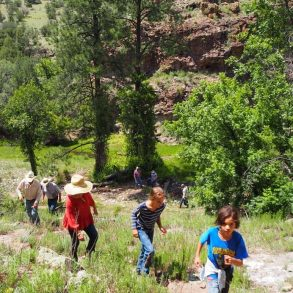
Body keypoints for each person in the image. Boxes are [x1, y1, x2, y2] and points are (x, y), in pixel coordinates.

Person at [193, 205, 248, 293]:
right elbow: (201, 240)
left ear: (236, 224)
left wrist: (232, 260)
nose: (227, 227)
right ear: (219, 222)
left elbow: (240, 263)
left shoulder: (238, 239)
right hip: (212, 267)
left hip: (227, 270)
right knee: (214, 290)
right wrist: (197, 256)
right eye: (224, 224)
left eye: (231, 224)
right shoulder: (212, 232)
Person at [131, 187, 167, 275]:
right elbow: (133, 214)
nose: (160, 204)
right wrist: (134, 229)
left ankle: (139, 270)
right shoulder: (143, 206)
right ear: (152, 198)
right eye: (158, 202)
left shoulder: (161, 206)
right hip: (141, 229)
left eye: (162, 201)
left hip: (150, 229)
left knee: (144, 250)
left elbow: (157, 215)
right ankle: (145, 271)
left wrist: (160, 226)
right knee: (150, 250)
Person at [63, 174, 98, 262]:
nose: (78, 194)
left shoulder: (86, 194)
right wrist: (78, 232)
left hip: (86, 219)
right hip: (73, 222)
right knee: (75, 242)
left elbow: (91, 201)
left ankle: (88, 252)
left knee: (94, 235)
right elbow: (70, 217)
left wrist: (94, 209)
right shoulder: (69, 200)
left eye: (80, 192)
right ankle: (73, 259)